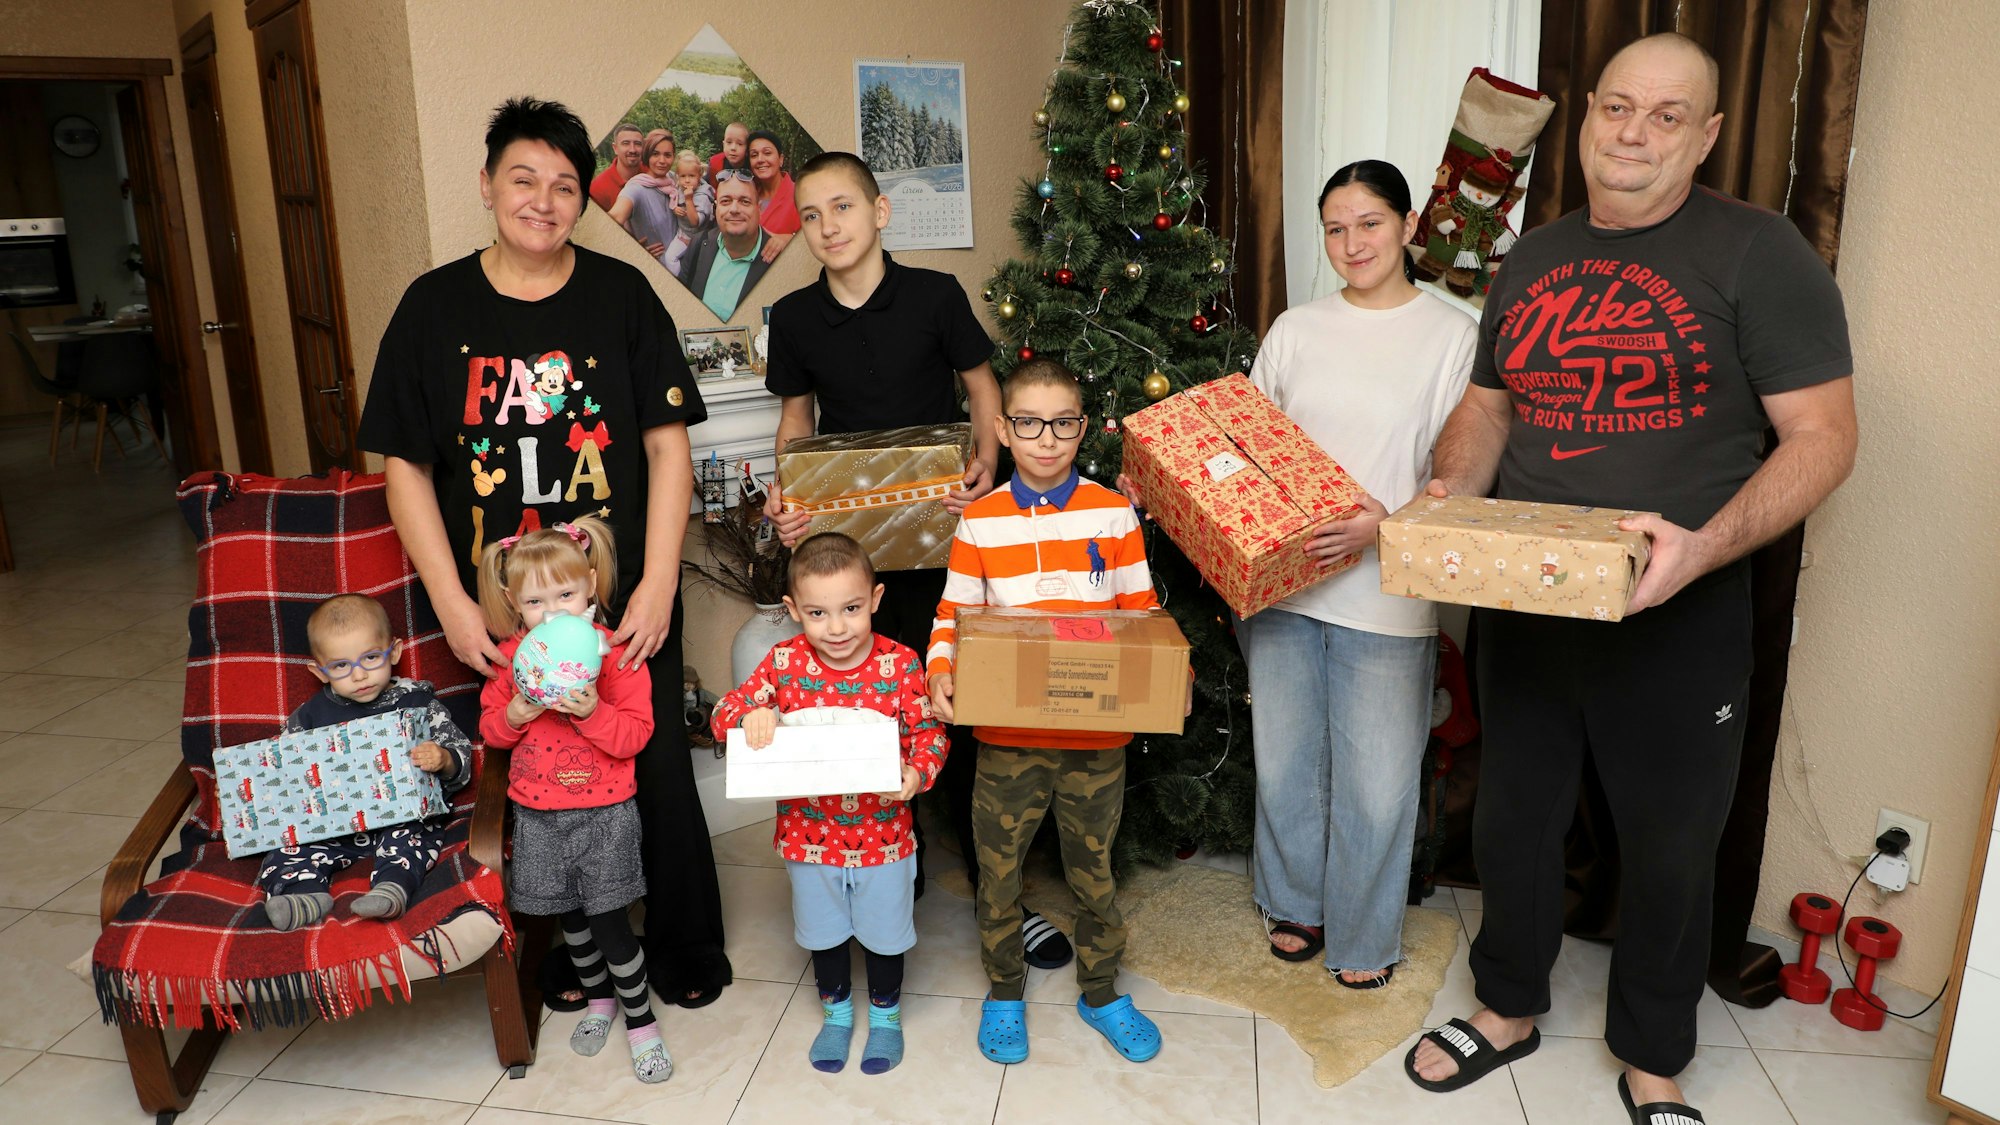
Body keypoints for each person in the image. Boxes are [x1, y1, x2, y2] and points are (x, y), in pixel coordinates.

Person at [1404, 34, 1856, 1124]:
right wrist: (1443, 495)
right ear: (1590, 116)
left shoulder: (1760, 254)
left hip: (1677, 605)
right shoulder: (1535, 254)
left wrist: (1700, 548)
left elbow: (1824, 437)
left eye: (1665, 116)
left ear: (1704, 136)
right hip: (1528, 598)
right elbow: (1490, 405)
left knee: (1669, 840)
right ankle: (1506, 1007)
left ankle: (1652, 1059)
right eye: (1616, 107)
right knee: (1512, 816)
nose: (1631, 133)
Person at [355, 96, 732, 1012]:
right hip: (503, 604)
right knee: (536, 768)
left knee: (650, 765)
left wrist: (653, 585)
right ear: (487, 187)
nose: (544, 199)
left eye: (565, 185)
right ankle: (569, 952)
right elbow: (401, 463)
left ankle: (684, 943)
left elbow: (667, 447)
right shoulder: (432, 304)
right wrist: (450, 600)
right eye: (523, 179)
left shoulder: (621, 296)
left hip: (618, 601)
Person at [760, 152, 1067, 970]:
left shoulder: (934, 296)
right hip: (852, 561)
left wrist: (987, 461)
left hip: (942, 538)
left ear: (880, 212)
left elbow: (981, 385)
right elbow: (796, 422)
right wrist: (784, 495)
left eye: (843, 208)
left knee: (955, 704)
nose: (829, 227)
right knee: (866, 701)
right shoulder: (792, 317)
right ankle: (899, 866)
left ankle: (1001, 886)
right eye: (813, 215)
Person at [1238, 160, 1475, 986]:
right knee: (1286, 764)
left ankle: (1366, 936)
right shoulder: (1294, 331)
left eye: (1369, 222)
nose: (1352, 242)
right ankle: (1294, 901)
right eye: (1335, 227)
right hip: (1282, 589)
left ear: (1408, 226)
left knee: (1376, 784)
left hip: (1388, 593)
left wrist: (1386, 527)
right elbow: (1245, 451)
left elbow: (1460, 473)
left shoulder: (1453, 337)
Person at [928, 359, 1187, 1067]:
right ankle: (1005, 990)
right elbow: (955, 612)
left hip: (1095, 738)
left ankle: (1101, 990)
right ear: (1005, 430)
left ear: (1083, 426)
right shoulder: (980, 522)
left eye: (1064, 422)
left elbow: (1141, 614)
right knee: (999, 869)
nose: (1048, 439)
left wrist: (1171, 667)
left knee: (1093, 870)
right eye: (1030, 423)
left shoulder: (1112, 511)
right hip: (1007, 739)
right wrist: (942, 667)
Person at [711, 532, 948, 1076]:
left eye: (851, 609)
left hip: (885, 834)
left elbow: (930, 735)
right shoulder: (782, 663)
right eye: (817, 613)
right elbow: (725, 714)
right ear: (794, 611)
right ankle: (837, 1012)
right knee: (824, 932)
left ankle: (885, 1018)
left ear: (876, 600)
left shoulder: (903, 664)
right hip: (807, 839)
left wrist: (916, 774)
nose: (836, 627)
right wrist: (751, 714)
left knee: (886, 932)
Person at [474, 518, 671, 1085]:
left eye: (565, 594)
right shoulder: (512, 662)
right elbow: (493, 732)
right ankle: (598, 1001)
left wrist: (592, 711)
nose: (553, 612)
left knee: (609, 920)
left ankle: (641, 1021)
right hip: (538, 815)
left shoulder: (613, 655)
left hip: (605, 813)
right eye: (536, 601)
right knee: (572, 920)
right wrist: (512, 714)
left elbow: (635, 735)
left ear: (590, 584)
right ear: (513, 602)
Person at [257, 594, 476, 932]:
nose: (359, 675)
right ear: (320, 671)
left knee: (414, 836)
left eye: (371, 658)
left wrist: (443, 759)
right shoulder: (311, 716)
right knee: (288, 844)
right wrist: (257, 786)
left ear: (395, 651)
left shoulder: (417, 704)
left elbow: (460, 753)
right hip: (333, 825)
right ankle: (302, 895)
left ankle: (392, 888)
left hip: (401, 817)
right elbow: (282, 770)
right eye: (342, 666)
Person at [678, 170, 771, 320]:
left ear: (759, 209)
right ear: (716, 208)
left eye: (745, 201)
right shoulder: (699, 244)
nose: (734, 209)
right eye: (726, 201)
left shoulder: (777, 256)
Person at [608, 130, 680, 261]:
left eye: (667, 155)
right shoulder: (636, 188)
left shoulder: (673, 180)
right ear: (647, 156)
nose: (662, 161)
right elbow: (611, 221)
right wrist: (630, 251)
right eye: (655, 154)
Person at [746, 129, 799, 262]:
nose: (760, 160)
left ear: (780, 159)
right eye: (754, 155)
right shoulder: (747, 195)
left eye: (767, 153)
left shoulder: (800, 195)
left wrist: (790, 240)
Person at [666, 149, 714, 274]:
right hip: (681, 232)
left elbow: (695, 222)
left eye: (691, 176)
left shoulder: (702, 197)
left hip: (695, 238)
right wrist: (674, 208)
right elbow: (673, 196)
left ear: (699, 175)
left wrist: (688, 200)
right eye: (683, 176)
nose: (687, 180)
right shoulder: (680, 186)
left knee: (672, 259)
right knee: (670, 258)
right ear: (678, 176)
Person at [588, 121, 644, 212]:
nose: (632, 149)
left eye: (637, 144)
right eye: (626, 143)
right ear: (615, 148)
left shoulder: (651, 173)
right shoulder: (597, 189)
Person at [707, 120, 751, 187]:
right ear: (723, 144)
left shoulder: (753, 165)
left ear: (747, 147)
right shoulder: (714, 164)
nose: (733, 148)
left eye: (739, 144)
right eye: (729, 142)